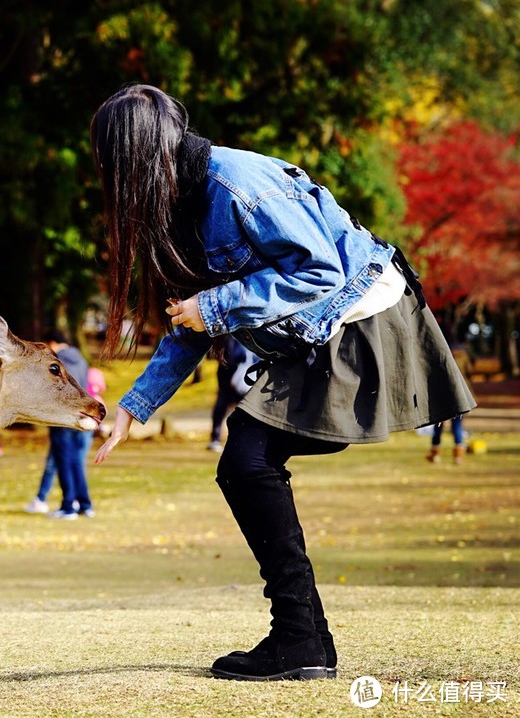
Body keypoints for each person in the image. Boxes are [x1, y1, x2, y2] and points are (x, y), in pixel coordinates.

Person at [89, 85, 475, 682]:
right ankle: (305, 640)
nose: (113, 184)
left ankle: (300, 639)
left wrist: (217, 305)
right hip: (316, 335)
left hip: (360, 318)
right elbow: (189, 323)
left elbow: (321, 269)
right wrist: (136, 405)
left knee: (245, 459)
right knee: (246, 462)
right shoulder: (179, 209)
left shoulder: (237, 183)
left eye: (116, 166)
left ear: (144, 154)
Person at [41, 329, 95, 520]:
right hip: (81, 417)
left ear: (52, 342)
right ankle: (85, 504)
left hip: (62, 418)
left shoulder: (57, 362)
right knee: (76, 463)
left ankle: (68, 506)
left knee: (63, 462)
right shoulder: (80, 359)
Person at [208, 337, 258, 452]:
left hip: (247, 377)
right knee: (222, 406)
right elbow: (228, 355)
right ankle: (215, 438)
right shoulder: (231, 336)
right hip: (228, 377)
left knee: (246, 412)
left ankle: (245, 440)